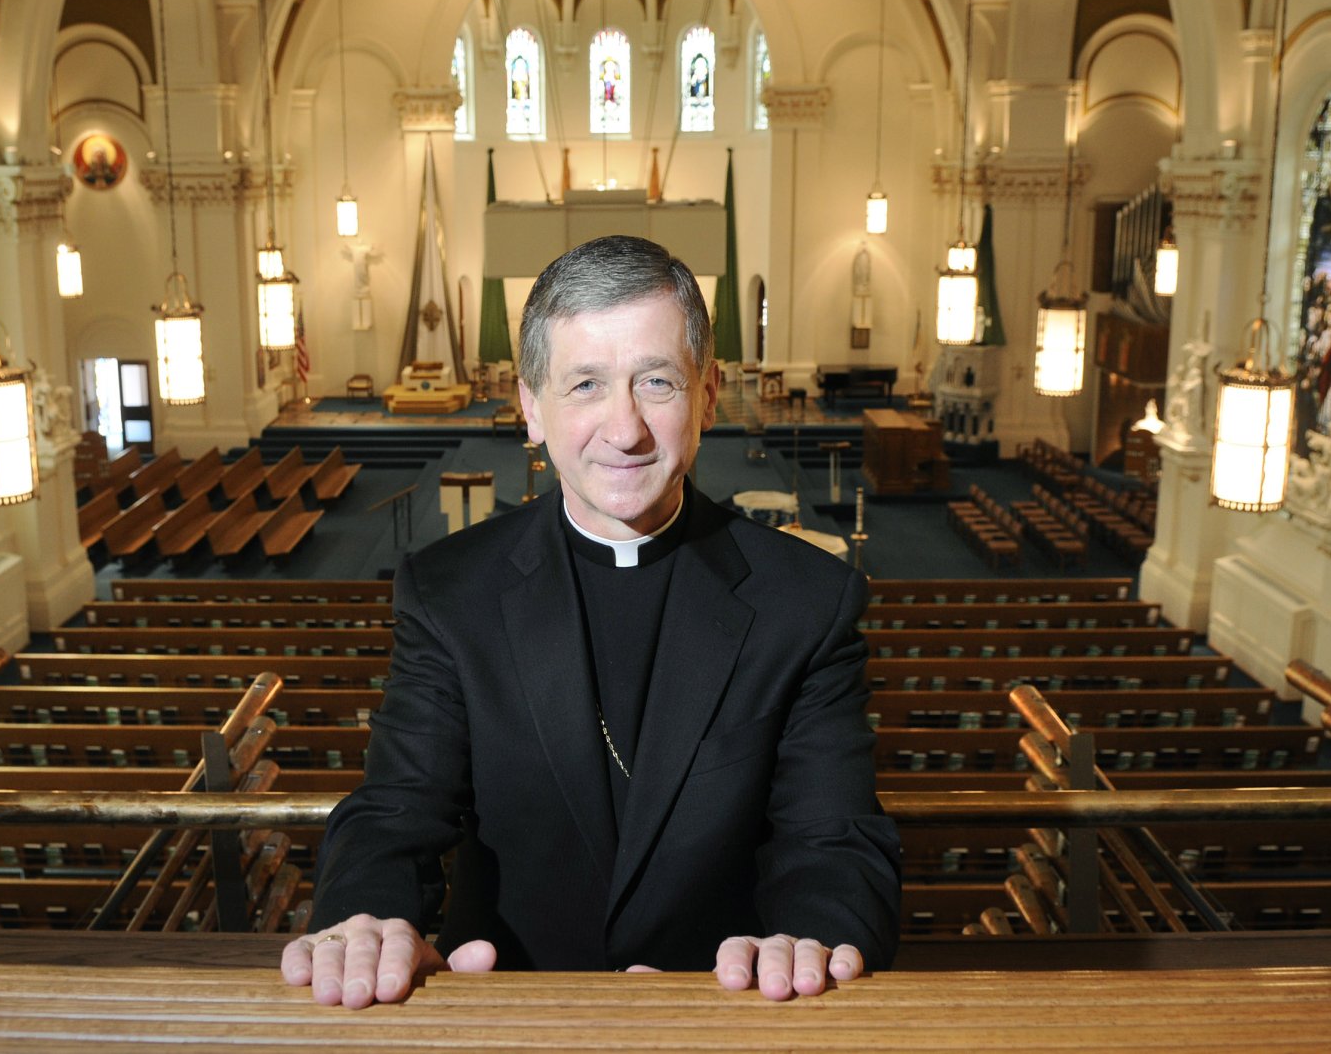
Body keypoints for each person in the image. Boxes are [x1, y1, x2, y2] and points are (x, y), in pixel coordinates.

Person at [284, 235, 900, 1007]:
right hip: (506, 1011)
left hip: (726, 1011)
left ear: (708, 395)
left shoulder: (807, 601)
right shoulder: (449, 592)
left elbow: (833, 841)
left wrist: (806, 945)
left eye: (657, 381)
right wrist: (367, 921)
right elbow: (396, 809)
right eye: (585, 385)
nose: (625, 427)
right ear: (531, 407)